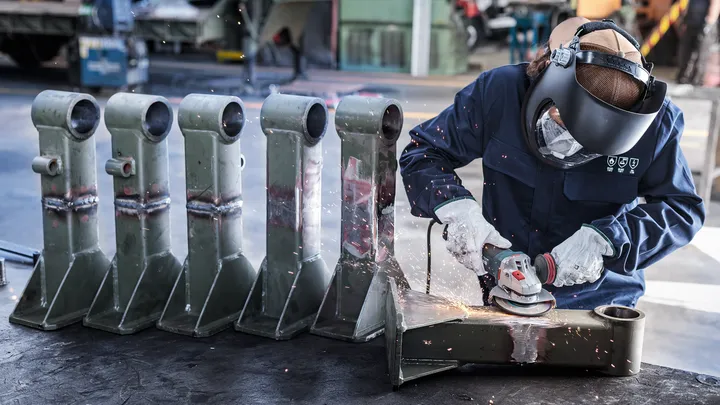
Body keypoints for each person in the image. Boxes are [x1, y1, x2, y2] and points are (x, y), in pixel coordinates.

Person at [399, 17, 706, 310]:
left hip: (603, 301)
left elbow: (681, 209)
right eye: (563, 123)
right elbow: (423, 153)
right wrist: (457, 209)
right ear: (548, 74)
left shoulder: (654, 123)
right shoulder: (499, 93)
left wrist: (611, 240)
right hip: (506, 290)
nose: (573, 145)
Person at [676, 0, 720, 85]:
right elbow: (687, 6)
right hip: (691, 25)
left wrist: (708, 24)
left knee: (701, 55)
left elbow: (715, 5)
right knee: (685, 53)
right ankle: (683, 77)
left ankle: (697, 80)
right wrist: (684, 21)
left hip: (705, 26)